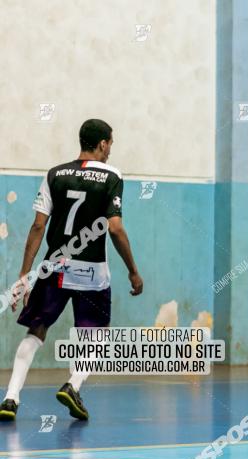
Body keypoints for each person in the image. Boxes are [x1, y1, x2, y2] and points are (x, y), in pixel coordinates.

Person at [0, 119, 143, 422]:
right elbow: (115, 228)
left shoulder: (55, 174)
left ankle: (11, 397)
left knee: (37, 329)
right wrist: (133, 270)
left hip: (55, 266)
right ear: (103, 144)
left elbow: (39, 226)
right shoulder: (112, 176)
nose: (110, 150)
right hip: (92, 272)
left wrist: (25, 277)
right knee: (94, 337)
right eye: (110, 144)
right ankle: (73, 385)